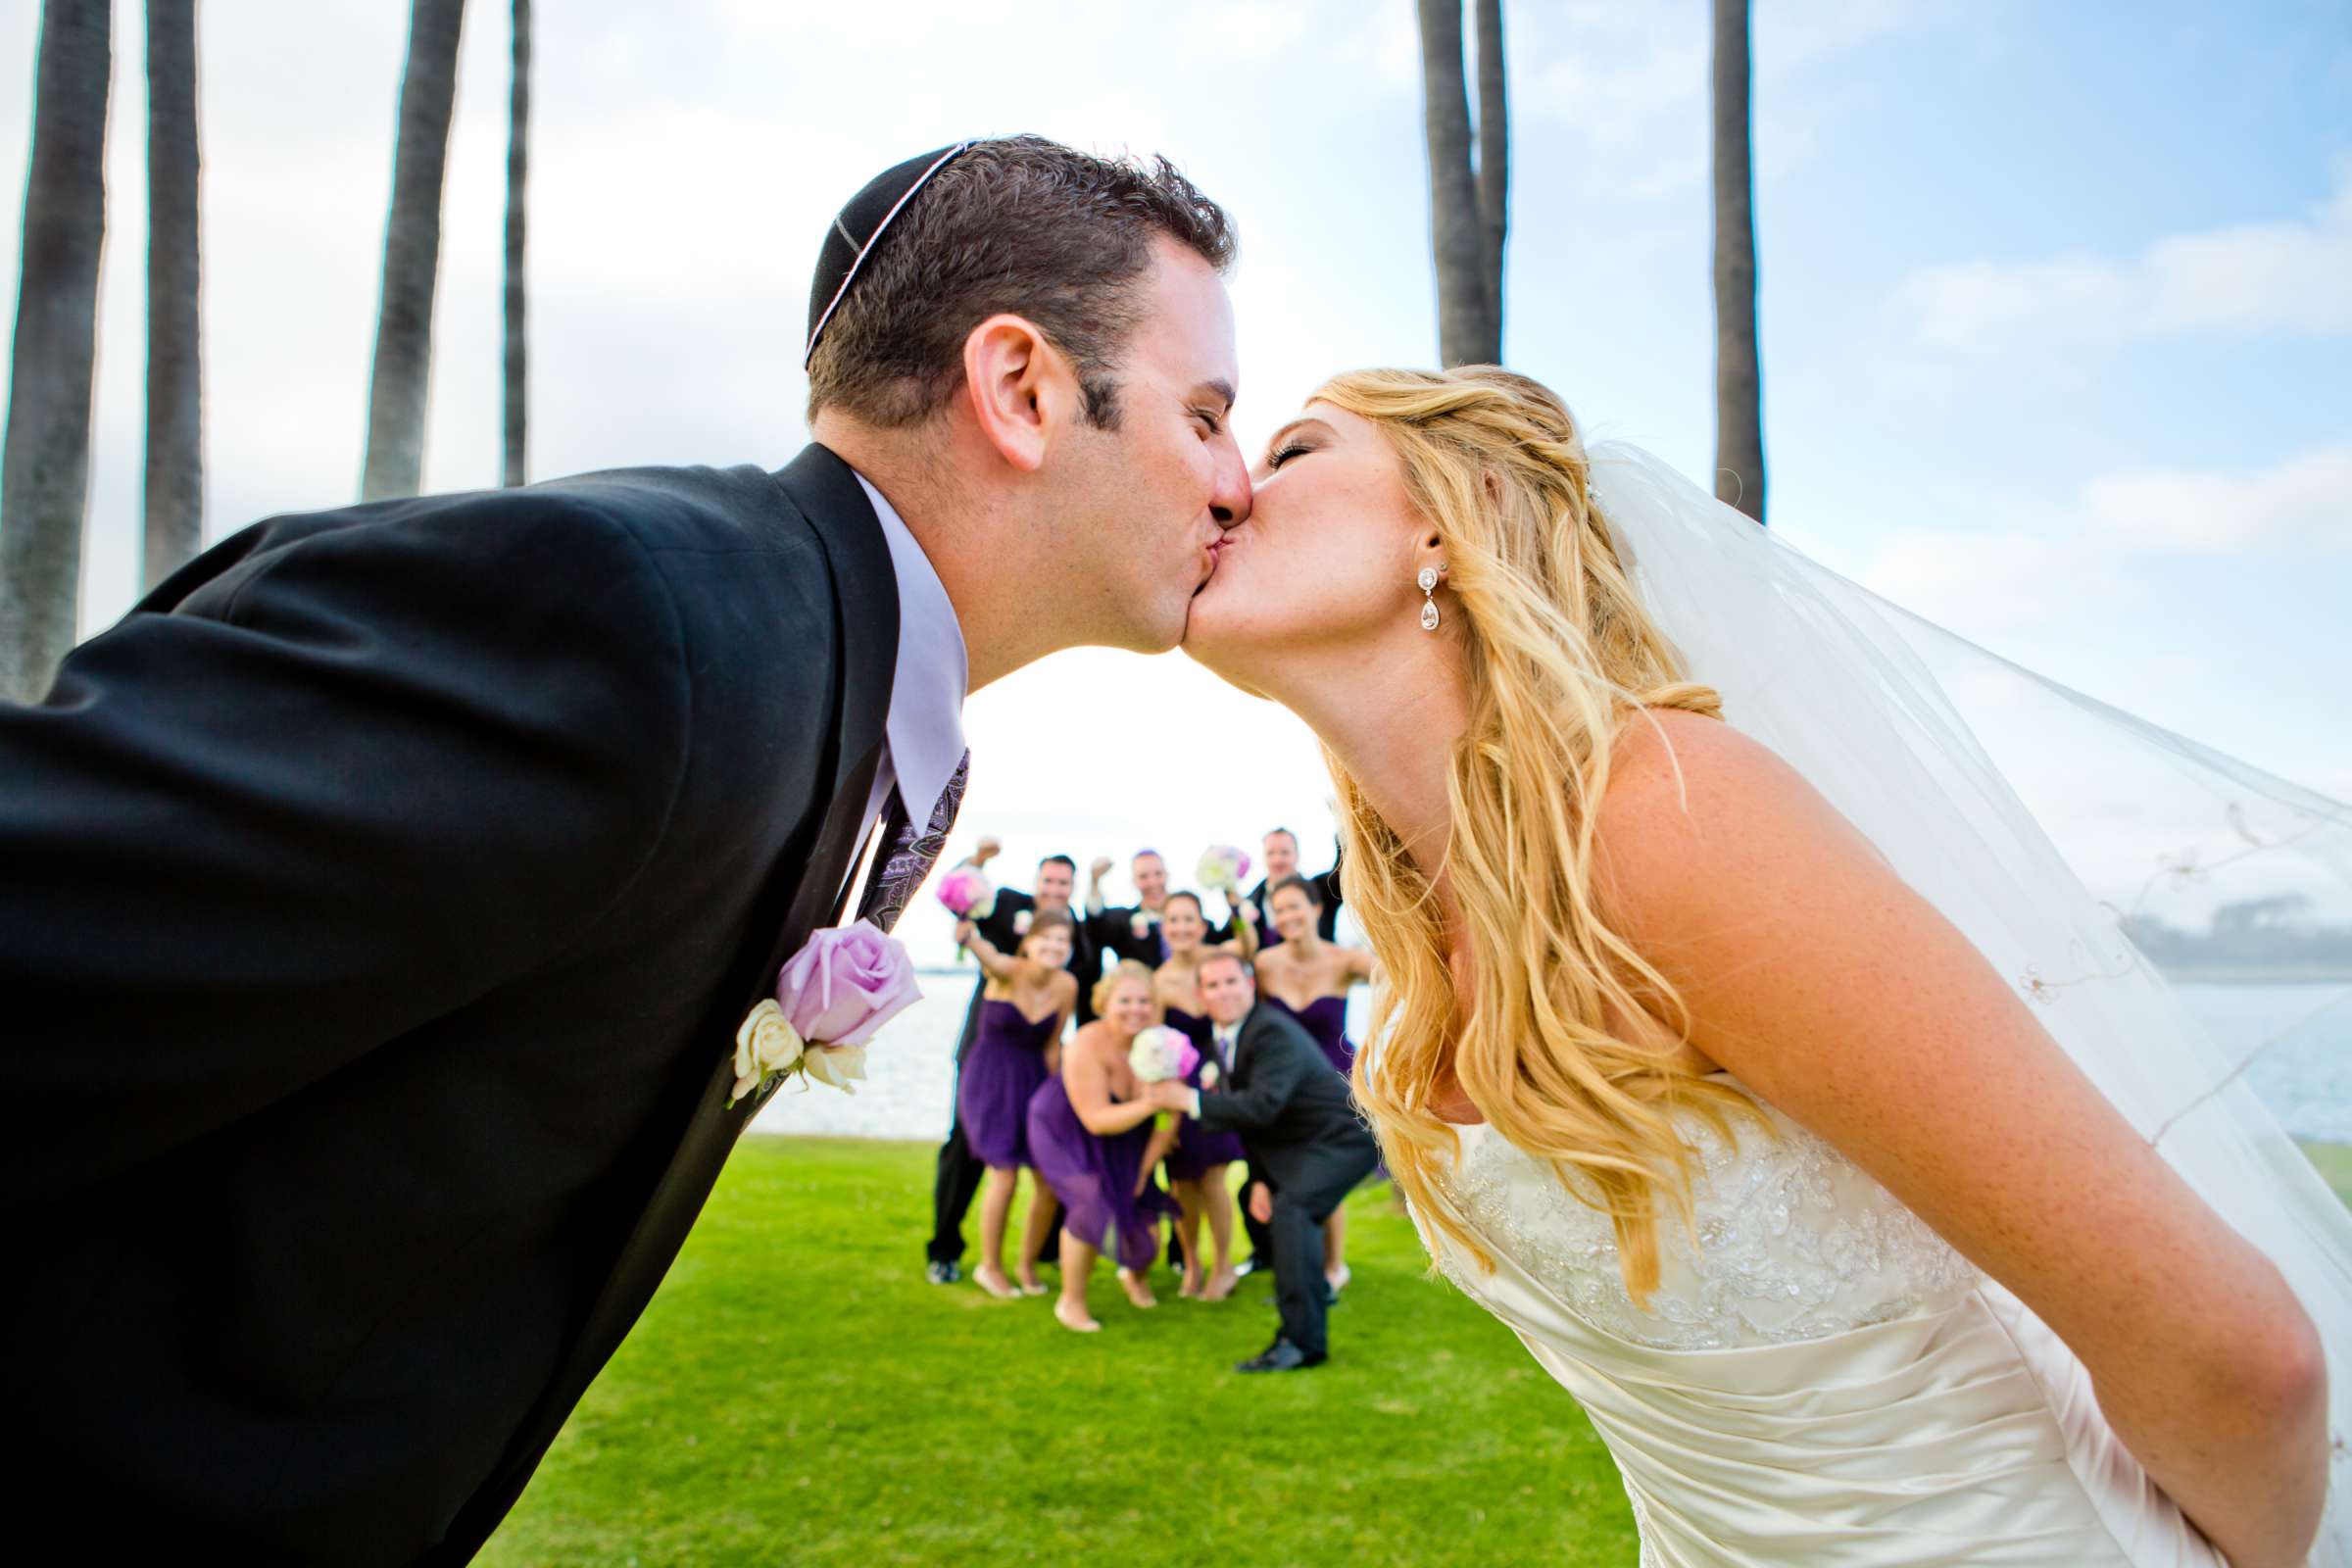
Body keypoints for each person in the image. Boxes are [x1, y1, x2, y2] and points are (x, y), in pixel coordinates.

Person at [0, 136, 1249, 1562]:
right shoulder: (636, 628)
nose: (1236, 482)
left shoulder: (811, 674)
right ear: (1020, 389)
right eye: (1205, 414)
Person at [1180, 365, 2346, 1562]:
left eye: (1295, 452)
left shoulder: (1665, 816)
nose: (1230, 490)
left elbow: (2239, 1358)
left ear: (1451, 510)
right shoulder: (1431, 927)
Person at [1151, 950, 1378, 1372]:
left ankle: (1300, 1342)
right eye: (1213, 985)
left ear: (1250, 985)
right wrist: (1259, 1179)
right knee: (1277, 1213)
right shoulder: (1224, 1040)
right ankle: (1304, 1297)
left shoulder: (1270, 1032)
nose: (1224, 992)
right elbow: (1257, 1125)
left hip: (1343, 1140)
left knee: (1294, 1213)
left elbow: (1261, 1107)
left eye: (1232, 981)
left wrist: (1189, 1099)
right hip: (1300, 1144)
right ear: (1201, 995)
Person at [924, 842, 1093, 1284]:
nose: (1055, 889)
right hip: (985, 1053)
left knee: (1041, 1161)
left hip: (1033, 1065)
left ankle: (1038, 1255)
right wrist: (977, 860)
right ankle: (945, 1250)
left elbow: (1070, 1015)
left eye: (1064, 883)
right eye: (1049, 881)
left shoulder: (1072, 941)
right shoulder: (1006, 908)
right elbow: (958, 897)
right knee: (966, 1152)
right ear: (1038, 883)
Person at [1026, 962, 1183, 1333]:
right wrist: (1150, 1103)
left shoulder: (1161, 1043)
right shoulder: (1086, 1043)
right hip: (1065, 1127)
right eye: (1125, 1000)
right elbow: (1095, 1118)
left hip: (1128, 1134)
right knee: (1089, 1201)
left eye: (1144, 1000)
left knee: (1144, 1219)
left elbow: (1169, 1118)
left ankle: (1135, 1276)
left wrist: (1143, 1171)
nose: (1136, 1009)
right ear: (1104, 1003)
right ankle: (1071, 1302)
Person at [1252, 874, 1375, 1294]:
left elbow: (1395, 970)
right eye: (1280, 909)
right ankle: (1297, 1268)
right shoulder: (1264, 964)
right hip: (1285, 1087)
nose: (1288, 916)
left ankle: (1333, 1266)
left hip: (1333, 1085)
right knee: (1292, 1178)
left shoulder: (1344, 961)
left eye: (1294, 906)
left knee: (1326, 1180)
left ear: (1316, 910)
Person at [952, 908, 1077, 1299]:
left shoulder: (1067, 985)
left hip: (1035, 1081)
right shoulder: (1006, 969)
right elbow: (982, 951)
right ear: (1029, 941)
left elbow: (1053, 1044)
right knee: (1004, 1173)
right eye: (1047, 938)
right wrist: (968, 935)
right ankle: (990, 1267)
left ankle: (1026, 1263)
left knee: (1048, 1179)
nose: (1054, 946)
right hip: (989, 1080)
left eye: (1062, 940)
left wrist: (1061, 1098)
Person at [1151, 890, 1257, 1299]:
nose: (1180, 928)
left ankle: (1224, 1267)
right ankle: (1192, 1265)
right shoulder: (1159, 981)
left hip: (1220, 1082)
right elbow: (1156, 1046)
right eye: (1172, 920)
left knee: (1214, 1179)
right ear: (1165, 928)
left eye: (1188, 919)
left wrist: (1234, 901)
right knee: (1182, 1184)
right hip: (1179, 1090)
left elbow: (1248, 944)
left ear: (1201, 924)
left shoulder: (1219, 960)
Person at [1246, 827, 1344, 948]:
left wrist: (1344, 829)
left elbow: (1344, 871)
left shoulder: (1322, 888)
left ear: (1297, 855)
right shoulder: (1250, 900)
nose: (1277, 860)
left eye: (1285, 852)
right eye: (1270, 853)